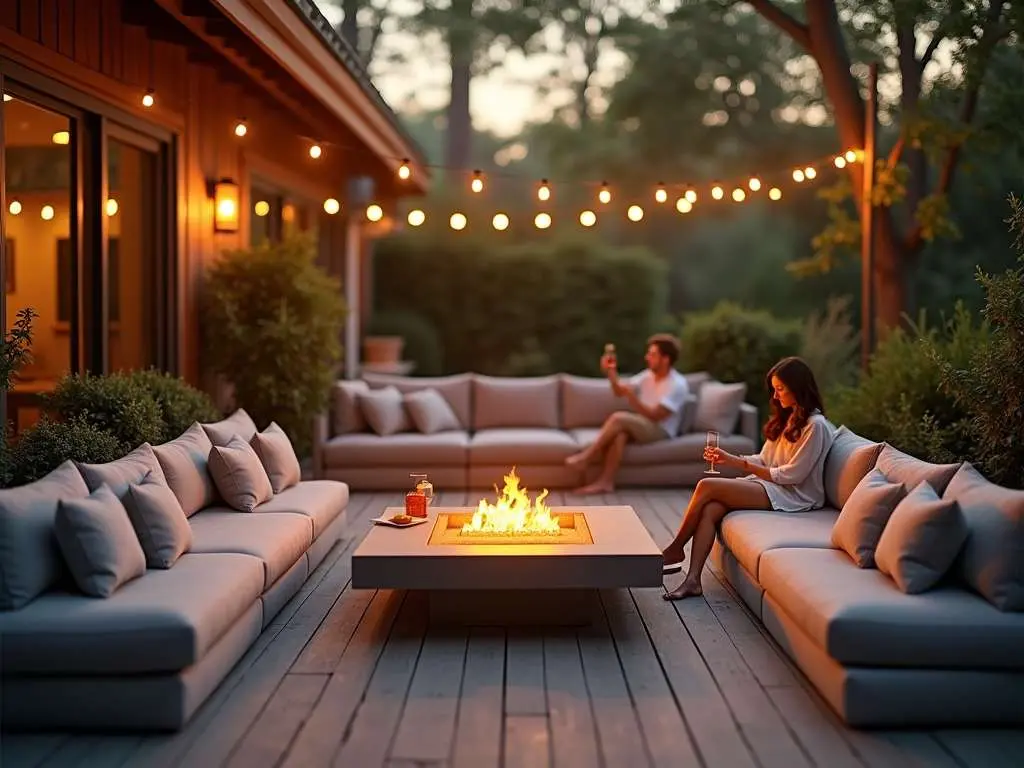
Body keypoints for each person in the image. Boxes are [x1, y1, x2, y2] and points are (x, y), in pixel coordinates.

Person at [662, 356, 835, 601]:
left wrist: (737, 463)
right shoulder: (788, 418)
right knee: (711, 508)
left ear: (798, 388)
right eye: (774, 390)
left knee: (706, 485)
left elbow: (791, 475)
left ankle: (676, 548)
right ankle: (692, 581)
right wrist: (729, 458)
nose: (776, 396)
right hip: (773, 486)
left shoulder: (816, 427)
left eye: (780, 389)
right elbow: (764, 460)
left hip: (794, 496)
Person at [565, 333, 690, 495]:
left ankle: (586, 457)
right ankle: (605, 482)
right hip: (644, 424)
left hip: (661, 430)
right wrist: (610, 372)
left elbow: (655, 416)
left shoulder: (678, 385)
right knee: (620, 434)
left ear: (665, 359)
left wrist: (632, 398)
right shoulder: (647, 376)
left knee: (618, 418)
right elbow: (619, 391)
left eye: (652, 355)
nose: (647, 357)